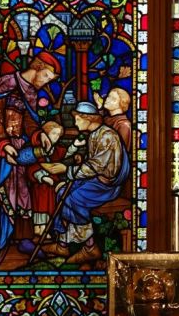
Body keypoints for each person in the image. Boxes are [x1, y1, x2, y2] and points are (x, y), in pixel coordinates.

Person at [41, 101, 129, 265]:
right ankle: (62, 245)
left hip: (107, 186)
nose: (75, 123)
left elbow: (96, 166)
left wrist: (67, 170)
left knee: (73, 199)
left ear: (88, 118)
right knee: (62, 192)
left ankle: (90, 248)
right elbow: (92, 163)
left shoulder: (107, 136)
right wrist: (79, 161)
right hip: (95, 180)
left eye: (78, 119)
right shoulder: (95, 134)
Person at [0, 51, 62, 243]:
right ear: (37, 67)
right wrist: (3, 144)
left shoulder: (31, 92)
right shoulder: (7, 83)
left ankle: (22, 237)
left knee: (21, 190)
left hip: (19, 147)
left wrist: (39, 135)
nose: (45, 82)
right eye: (46, 76)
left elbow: (29, 120)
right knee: (0, 189)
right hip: (0, 147)